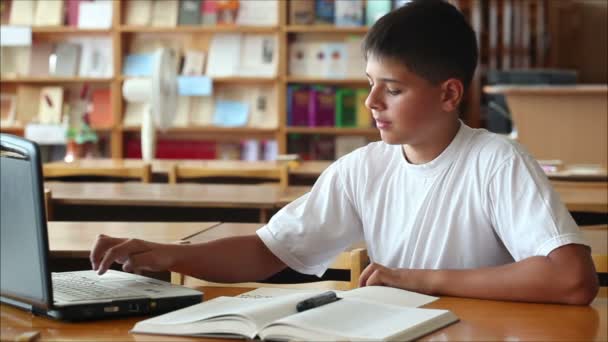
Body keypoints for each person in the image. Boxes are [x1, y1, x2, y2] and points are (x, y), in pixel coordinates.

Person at [91, 0, 598, 304]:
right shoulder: (363, 168)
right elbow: (271, 250)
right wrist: (165, 254)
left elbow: (572, 280)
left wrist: (419, 280)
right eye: (370, 83)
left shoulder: (497, 163)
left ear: (449, 94)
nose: (371, 102)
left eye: (392, 89)